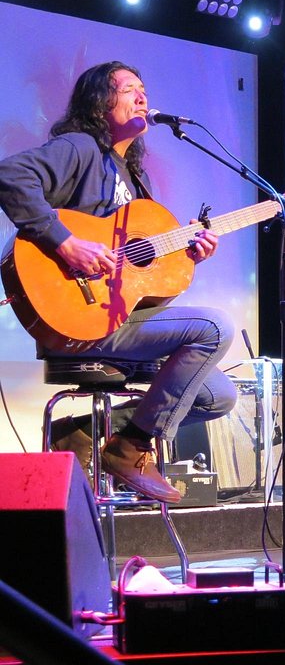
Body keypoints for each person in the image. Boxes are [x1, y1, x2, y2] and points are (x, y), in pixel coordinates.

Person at [0, 61, 238, 503]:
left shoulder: (136, 180)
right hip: (76, 320)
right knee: (216, 327)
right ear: (99, 102)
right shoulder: (79, 148)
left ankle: (84, 433)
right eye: (129, 89)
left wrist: (190, 253)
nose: (143, 97)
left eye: (144, 89)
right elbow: (9, 176)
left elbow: (140, 273)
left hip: (119, 320)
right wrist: (67, 243)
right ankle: (130, 448)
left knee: (218, 395)